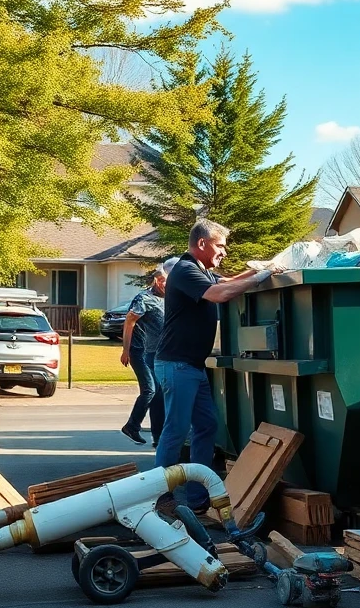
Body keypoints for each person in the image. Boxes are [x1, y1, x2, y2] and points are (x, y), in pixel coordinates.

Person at [155, 219, 281, 512]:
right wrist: (261, 278)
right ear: (202, 244)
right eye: (220, 245)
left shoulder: (201, 271)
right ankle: (159, 496)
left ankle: (199, 498)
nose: (223, 251)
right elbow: (220, 294)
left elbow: (226, 282)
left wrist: (265, 267)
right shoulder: (186, 270)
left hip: (191, 367)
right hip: (177, 365)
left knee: (206, 425)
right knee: (176, 429)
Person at [117, 257, 177, 447]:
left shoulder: (170, 297)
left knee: (158, 394)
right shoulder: (144, 299)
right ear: (158, 281)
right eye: (167, 283)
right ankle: (132, 426)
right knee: (150, 389)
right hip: (139, 351)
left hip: (156, 352)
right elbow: (129, 321)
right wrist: (125, 349)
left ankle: (158, 438)